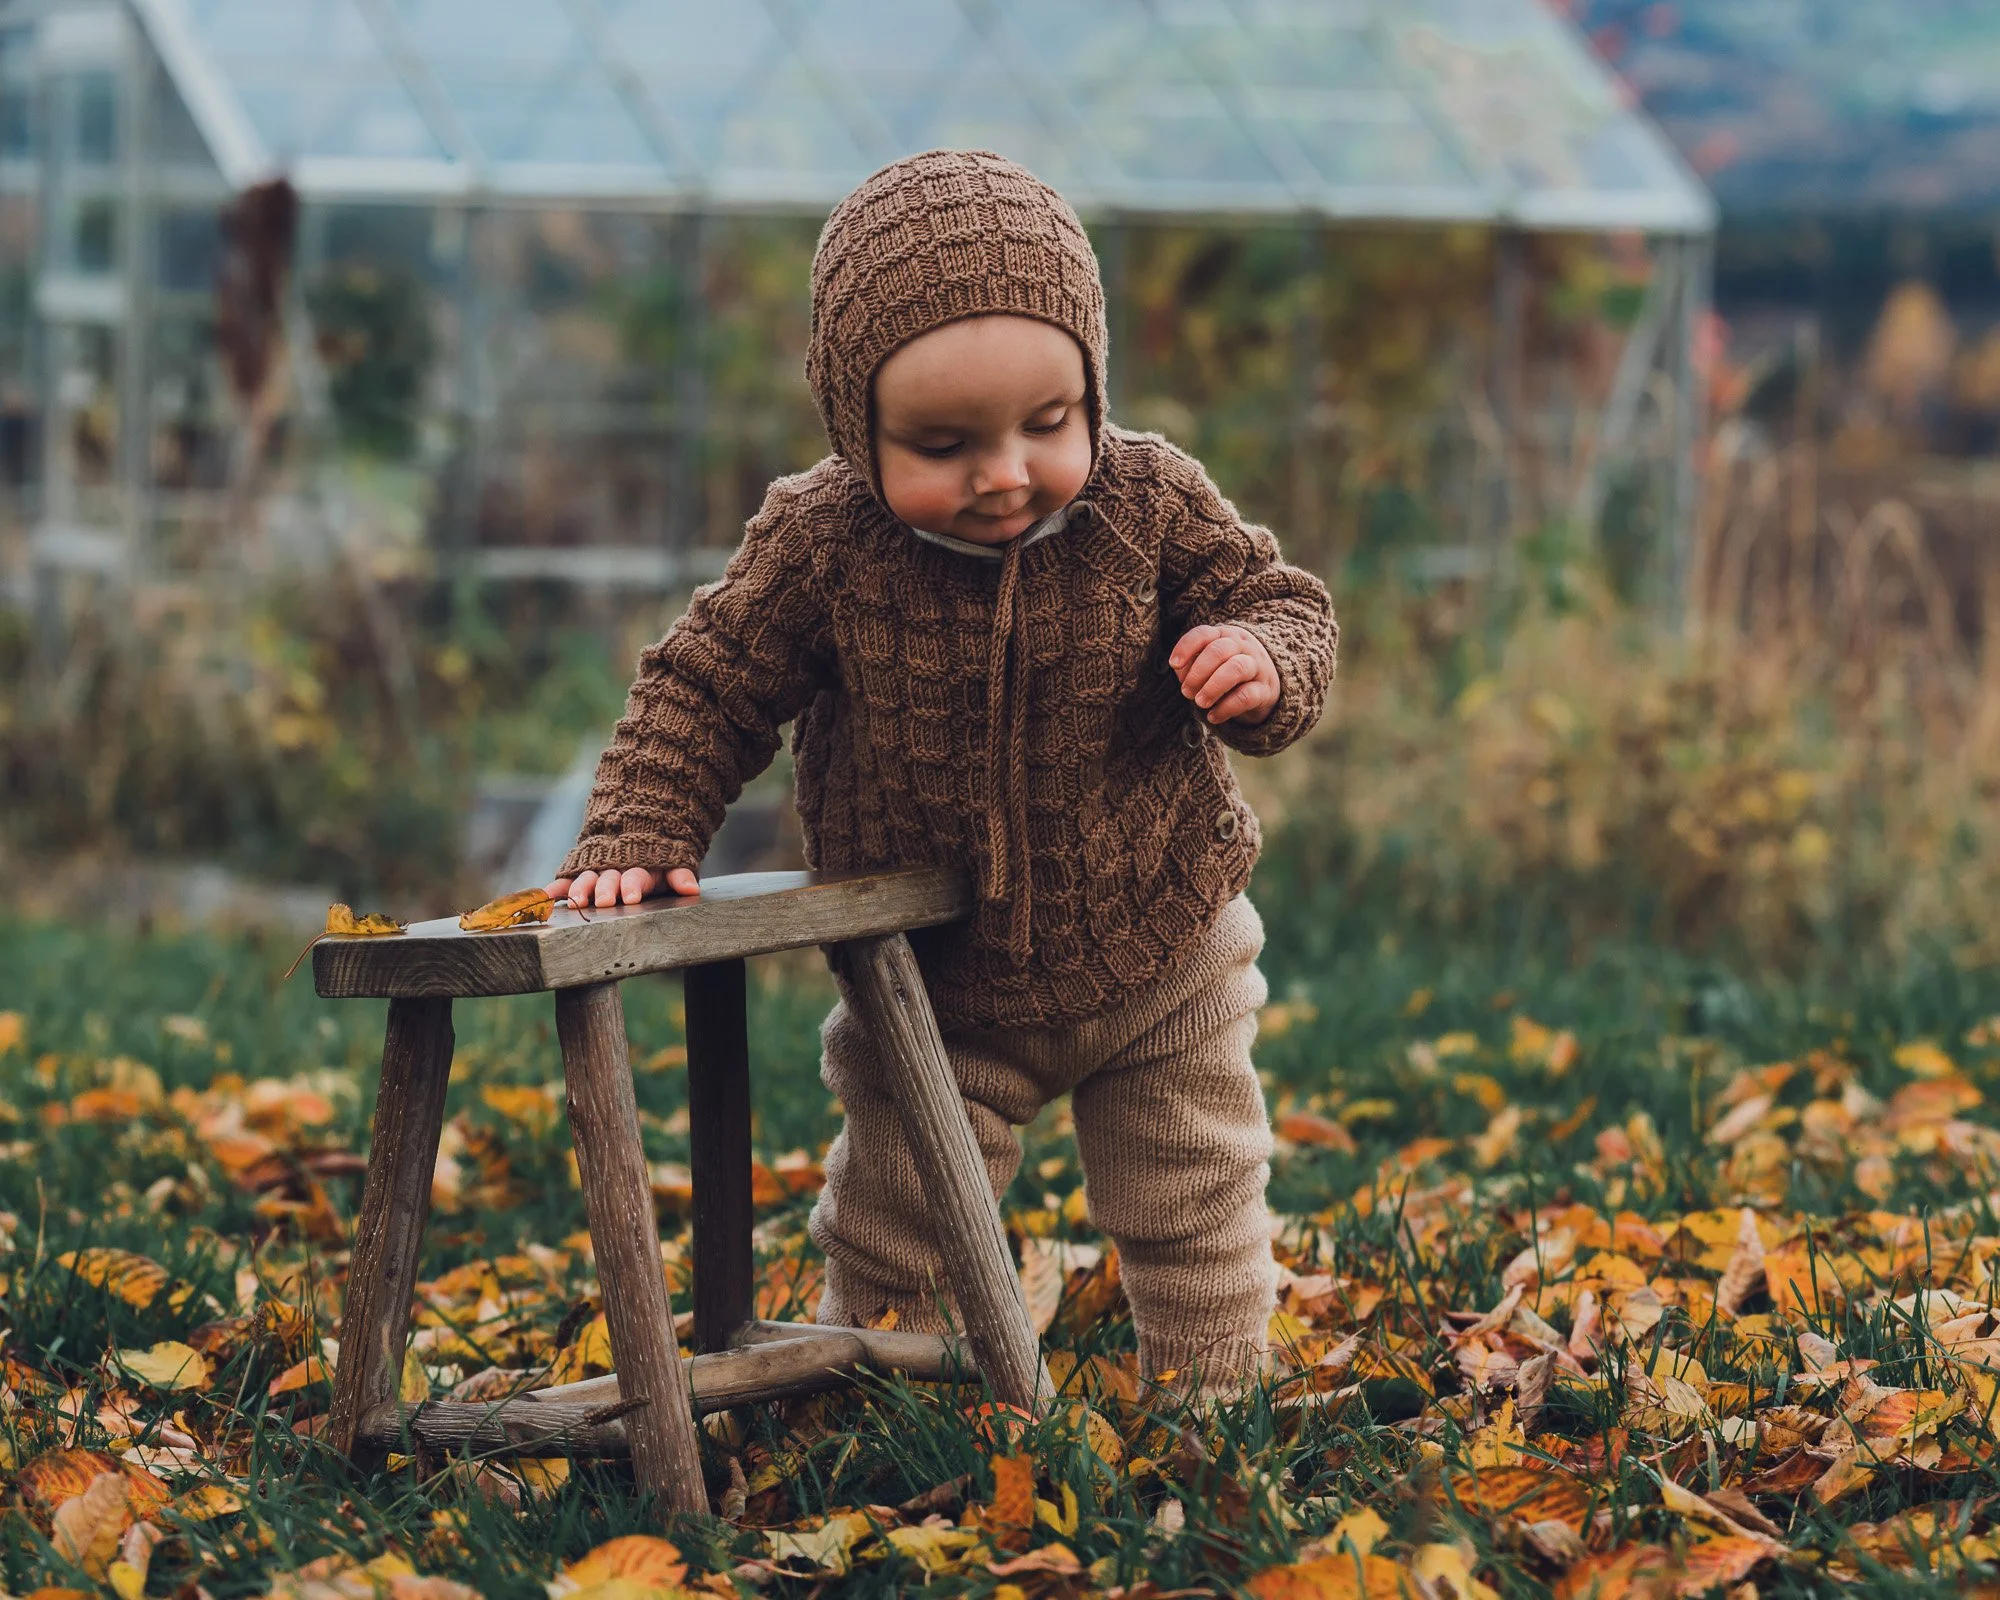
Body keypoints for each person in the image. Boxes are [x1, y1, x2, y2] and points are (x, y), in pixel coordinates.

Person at [548, 149, 1336, 1393]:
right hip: (933, 982)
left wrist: (1262, 663)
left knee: (1191, 1189)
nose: (1003, 473)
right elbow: (705, 680)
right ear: (851, 424)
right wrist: (644, 819)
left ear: (1092, 389)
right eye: (941, 441)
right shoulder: (823, 545)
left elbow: (1274, 598)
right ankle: (876, 1400)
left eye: (1046, 423)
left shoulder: (1149, 501)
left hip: (1160, 935)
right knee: (898, 1209)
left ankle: (1214, 1395)